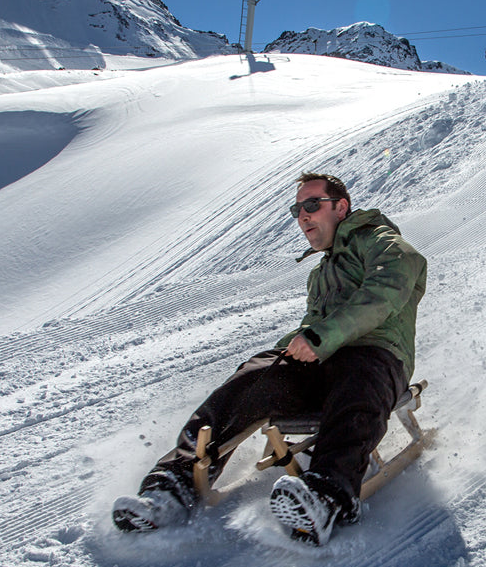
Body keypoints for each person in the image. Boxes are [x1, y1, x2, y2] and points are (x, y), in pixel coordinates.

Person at [113, 172, 426, 544]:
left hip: (378, 357)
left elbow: (387, 290)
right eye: (297, 209)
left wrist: (320, 336)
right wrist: (288, 348)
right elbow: (310, 329)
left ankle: (327, 495)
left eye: (312, 205)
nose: (303, 216)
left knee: (357, 382)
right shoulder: (321, 273)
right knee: (257, 374)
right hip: (324, 364)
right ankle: (173, 485)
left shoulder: (380, 242)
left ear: (340, 207)